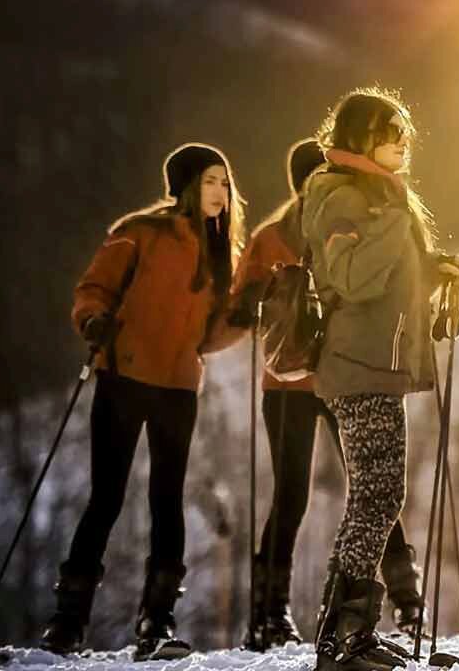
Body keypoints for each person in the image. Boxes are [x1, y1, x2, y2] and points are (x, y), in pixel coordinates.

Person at [41, 143, 245, 660]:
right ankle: (67, 623)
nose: (220, 192)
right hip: (124, 375)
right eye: (209, 181)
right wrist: (93, 321)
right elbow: (94, 289)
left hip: (178, 385)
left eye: (224, 182)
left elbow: (211, 334)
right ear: (184, 185)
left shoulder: (223, 252)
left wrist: (250, 314)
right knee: (106, 498)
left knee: (167, 498)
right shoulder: (140, 233)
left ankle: (157, 622)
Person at [228, 139, 424, 650]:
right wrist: (251, 298)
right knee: (301, 493)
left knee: (371, 487)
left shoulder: (336, 223)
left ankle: (401, 599)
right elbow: (239, 303)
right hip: (292, 381)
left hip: (331, 376)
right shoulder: (275, 236)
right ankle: (273, 612)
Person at [302, 89, 459, 671]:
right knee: (377, 495)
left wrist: (434, 268)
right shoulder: (339, 193)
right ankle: (344, 638)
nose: (402, 139)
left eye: (403, 129)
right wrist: (398, 224)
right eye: (388, 129)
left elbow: (389, 273)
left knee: (376, 494)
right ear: (358, 137)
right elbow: (351, 276)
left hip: (378, 361)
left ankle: (345, 633)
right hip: (360, 365)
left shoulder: (378, 196)